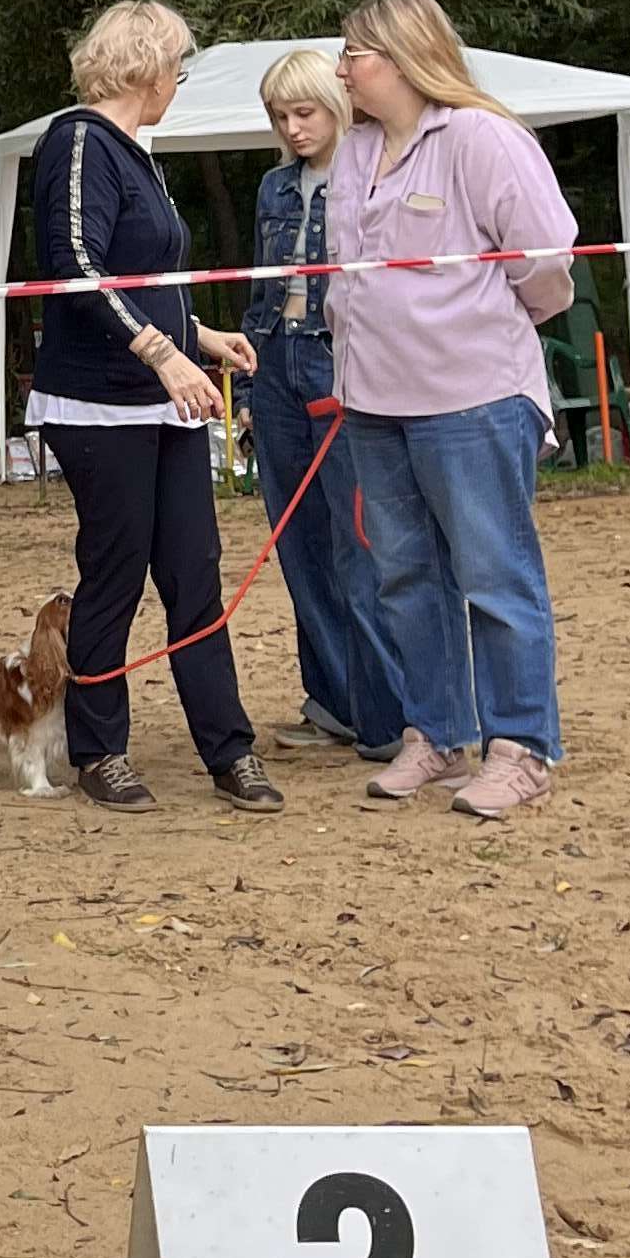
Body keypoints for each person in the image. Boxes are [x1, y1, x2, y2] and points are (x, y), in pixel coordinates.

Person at [326, 0, 576, 819]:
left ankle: (521, 747)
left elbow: (545, 263)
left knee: (495, 576)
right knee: (404, 577)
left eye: (353, 54)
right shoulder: (352, 153)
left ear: (398, 56)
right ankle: (434, 732)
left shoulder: (481, 136)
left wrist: (489, 329)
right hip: (373, 400)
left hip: (472, 397)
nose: (342, 69)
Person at [26, 2, 278, 815]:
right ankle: (100, 748)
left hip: (163, 399)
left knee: (192, 572)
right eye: (180, 65)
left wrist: (199, 336)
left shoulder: (139, 153)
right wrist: (162, 353)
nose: (180, 81)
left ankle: (227, 749)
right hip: (100, 403)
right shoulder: (78, 140)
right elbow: (74, 264)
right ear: (150, 65)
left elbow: (146, 283)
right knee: (117, 573)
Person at [242, 54, 404, 759]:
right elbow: (258, 289)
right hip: (276, 363)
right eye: (281, 116)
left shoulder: (373, 177)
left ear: (335, 106)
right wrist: (247, 387)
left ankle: (388, 714)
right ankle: (332, 701)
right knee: (298, 537)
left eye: (303, 112)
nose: (293, 127)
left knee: (360, 539)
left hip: (345, 363)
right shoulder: (275, 187)